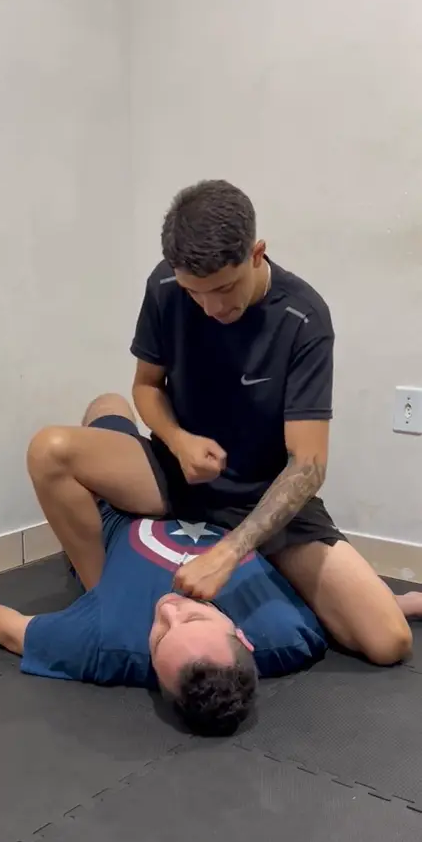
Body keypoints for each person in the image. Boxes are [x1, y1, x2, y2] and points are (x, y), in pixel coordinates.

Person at [26, 182, 414, 666]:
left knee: (388, 641)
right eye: (196, 293)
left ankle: (368, 599)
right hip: (176, 471)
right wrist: (177, 439)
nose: (211, 308)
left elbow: (308, 465)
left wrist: (229, 553)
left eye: (225, 289)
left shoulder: (304, 318)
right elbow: (146, 387)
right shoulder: (164, 286)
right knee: (49, 451)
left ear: (256, 253)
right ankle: (104, 598)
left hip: (260, 493)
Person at [0, 403, 422, 736]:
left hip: (122, 511)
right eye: (197, 616)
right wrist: (396, 603)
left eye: (161, 634)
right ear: (243, 636)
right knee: (386, 639)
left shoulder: (109, 640)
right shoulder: (283, 632)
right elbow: (326, 609)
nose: (171, 607)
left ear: (156, 677)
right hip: (205, 497)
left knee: (106, 406)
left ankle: (97, 564)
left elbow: (14, 632)